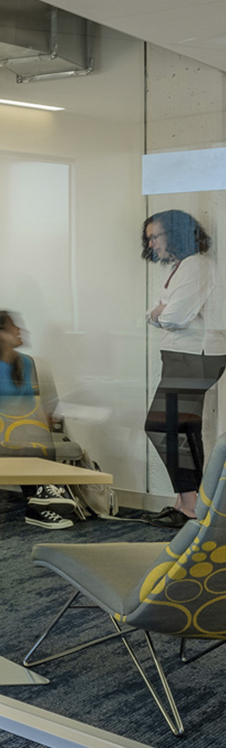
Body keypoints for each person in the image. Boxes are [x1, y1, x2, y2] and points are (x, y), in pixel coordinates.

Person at [0, 311, 78, 530]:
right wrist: (24, 425)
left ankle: (42, 498)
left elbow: (29, 404)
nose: (20, 330)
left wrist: (45, 424)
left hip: (9, 423)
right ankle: (39, 499)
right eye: (13, 326)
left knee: (38, 435)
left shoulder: (24, 364)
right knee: (21, 435)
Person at [141, 210, 226, 529]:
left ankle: (190, 507)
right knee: (183, 429)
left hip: (195, 355)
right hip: (183, 355)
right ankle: (189, 503)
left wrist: (159, 312)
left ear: (176, 234)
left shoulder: (196, 266)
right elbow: (160, 312)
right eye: (148, 238)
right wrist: (159, 312)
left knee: (161, 426)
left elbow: (174, 316)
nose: (151, 243)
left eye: (156, 236)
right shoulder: (183, 267)